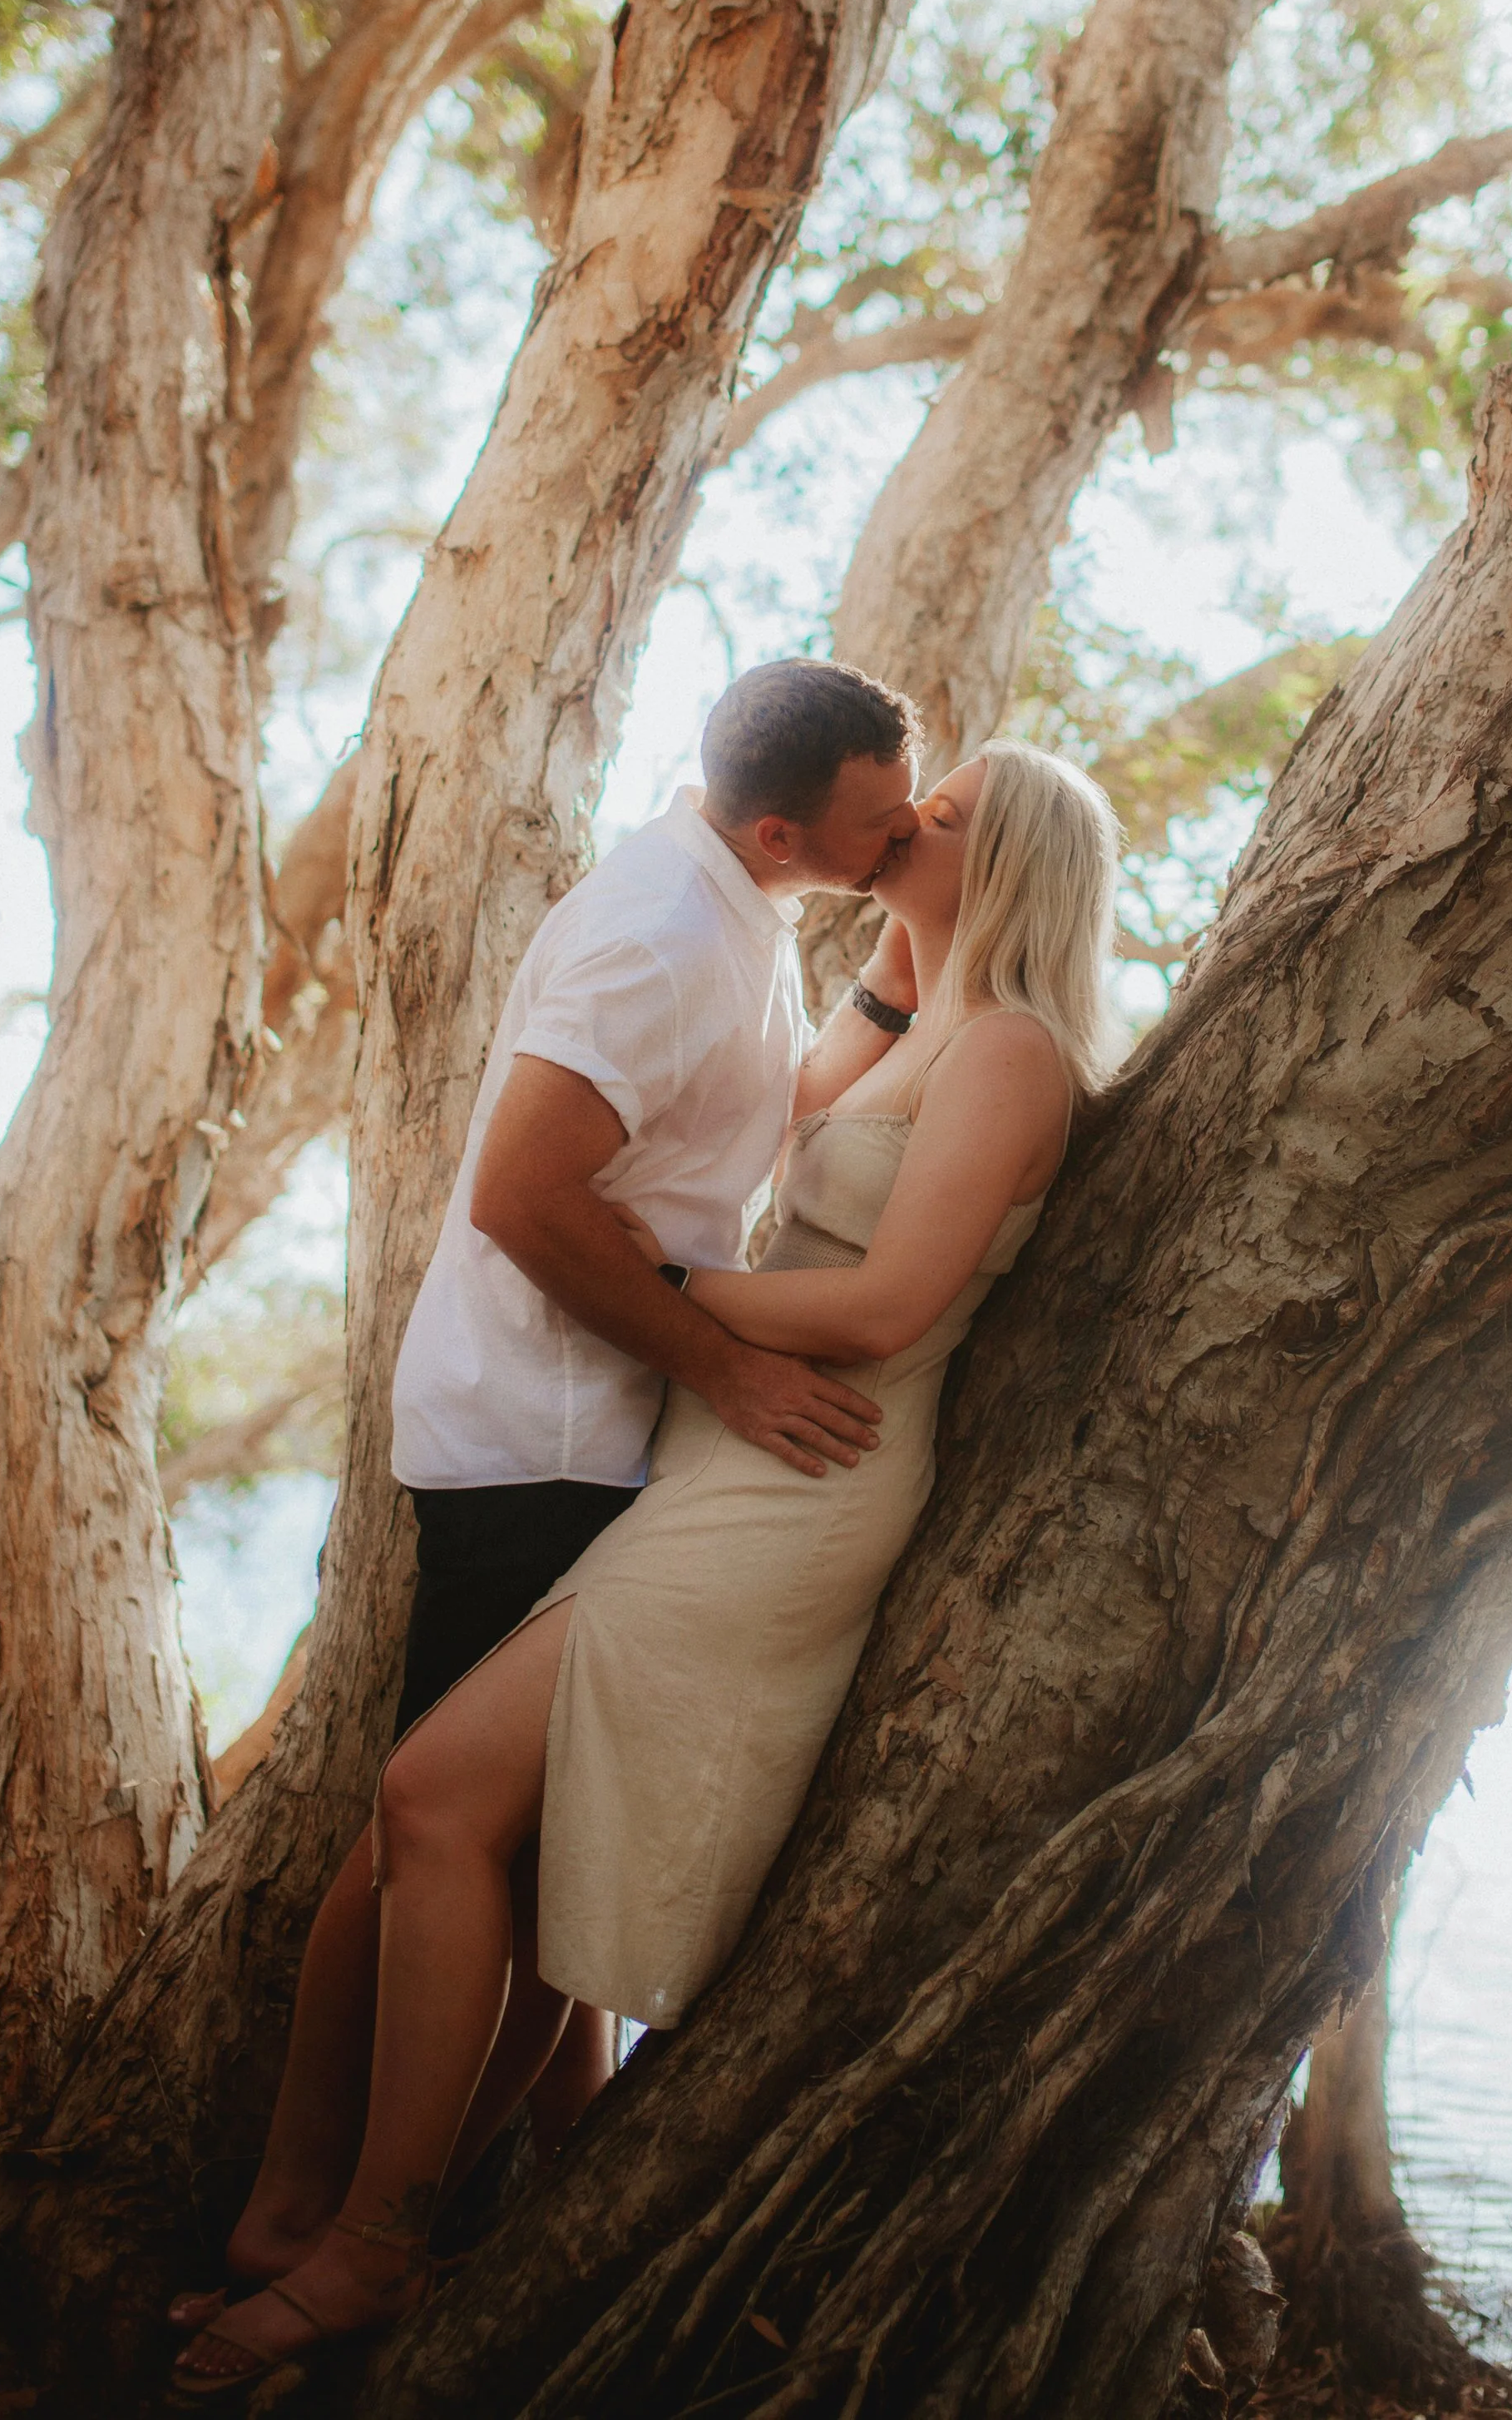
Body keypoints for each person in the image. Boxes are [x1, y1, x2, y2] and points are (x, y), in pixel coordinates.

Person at [170, 740, 1119, 2398]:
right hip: (712, 1458)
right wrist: (898, 970)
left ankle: (373, 2248)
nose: (906, 822)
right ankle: (364, 2217)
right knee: (508, 1841)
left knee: (431, 1803)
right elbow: (801, 1125)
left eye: (944, 817)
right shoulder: (922, 1030)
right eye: (909, 802)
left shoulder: (1017, 1059)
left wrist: (654, 1278)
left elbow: (885, 1307)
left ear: (1012, 862)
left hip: (796, 1492)